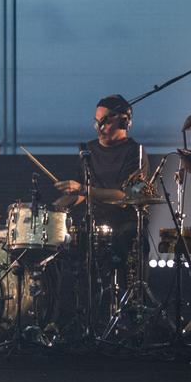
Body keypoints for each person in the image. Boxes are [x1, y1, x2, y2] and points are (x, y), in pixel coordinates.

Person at [53, 94, 149, 292]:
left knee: (128, 241)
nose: (99, 127)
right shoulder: (89, 150)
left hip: (126, 226)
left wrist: (82, 189)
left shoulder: (135, 152)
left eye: (105, 122)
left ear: (124, 122)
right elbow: (80, 193)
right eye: (97, 122)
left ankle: (130, 302)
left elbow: (127, 196)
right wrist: (51, 209)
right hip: (95, 225)